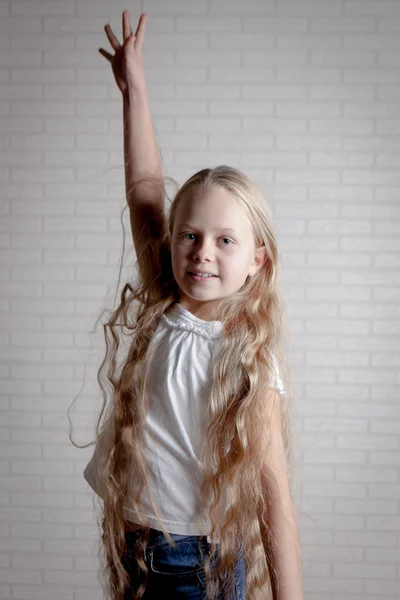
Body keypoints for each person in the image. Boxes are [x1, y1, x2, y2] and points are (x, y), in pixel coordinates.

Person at [81, 10, 303, 600]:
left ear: (259, 260)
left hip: (192, 568)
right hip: (139, 556)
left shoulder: (247, 358)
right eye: (189, 235)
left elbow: (274, 496)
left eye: (225, 241)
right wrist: (136, 93)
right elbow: (146, 190)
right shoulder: (164, 302)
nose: (202, 253)